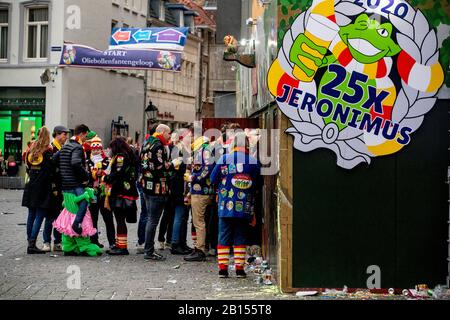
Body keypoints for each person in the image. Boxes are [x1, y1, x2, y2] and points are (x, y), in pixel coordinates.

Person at [210, 131, 261, 278]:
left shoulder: (224, 159)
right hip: (244, 206)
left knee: (224, 236)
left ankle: (223, 269)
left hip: (225, 205)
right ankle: (239, 269)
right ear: (246, 144)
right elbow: (257, 183)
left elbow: (213, 179)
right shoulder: (252, 161)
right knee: (240, 236)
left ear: (233, 144)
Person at [141, 124, 173, 261]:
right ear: (162, 132)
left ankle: (148, 248)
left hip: (147, 185)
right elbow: (159, 167)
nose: (169, 136)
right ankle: (149, 251)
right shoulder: (158, 145)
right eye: (168, 133)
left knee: (149, 219)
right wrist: (170, 165)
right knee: (153, 221)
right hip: (157, 187)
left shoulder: (147, 142)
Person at [104, 137, 138, 255]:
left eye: (111, 148)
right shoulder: (128, 155)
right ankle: (119, 245)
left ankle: (122, 247)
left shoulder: (120, 157)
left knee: (120, 219)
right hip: (126, 191)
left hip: (121, 192)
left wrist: (106, 177)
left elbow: (119, 172)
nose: (110, 150)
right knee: (120, 220)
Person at [21, 126, 53, 254]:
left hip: (31, 183)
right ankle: (32, 244)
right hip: (42, 185)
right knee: (40, 214)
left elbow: (27, 167)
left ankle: (30, 241)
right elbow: (49, 170)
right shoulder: (48, 150)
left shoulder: (31, 149)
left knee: (31, 214)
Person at [184, 136, 215, 262]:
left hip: (201, 191)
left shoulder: (204, 150)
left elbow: (208, 168)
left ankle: (200, 249)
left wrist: (193, 178)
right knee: (202, 221)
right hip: (202, 190)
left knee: (198, 221)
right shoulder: (203, 150)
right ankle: (201, 247)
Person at [59, 124, 91, 235]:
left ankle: (70, 240)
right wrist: (86, 175)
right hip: (75, 183)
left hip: (65, 183)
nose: (85, 139)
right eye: (85, 136)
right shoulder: (77, 147)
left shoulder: (65, 146)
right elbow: (76, 163)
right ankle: (77, 224)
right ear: (82, 134)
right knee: (84, 201)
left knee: (69, 211)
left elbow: (55, 159)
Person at [42, 125, 69, 252]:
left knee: (59, 215)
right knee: (50, 216)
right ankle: (46, 242)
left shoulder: (62, 148)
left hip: (61, 185)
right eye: (64, 134)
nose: (66, 137)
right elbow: (50, 169)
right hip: (52, 186)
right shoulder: (51, 148)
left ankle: (57, 242)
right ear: (57, 134)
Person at [86, 136, 116, 249]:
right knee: (93, 218)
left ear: (101, 149)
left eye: (97, 149)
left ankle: (112, 242)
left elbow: (110, 173)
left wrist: (102, 173)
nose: (95, 151)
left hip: (104, 193)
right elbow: (86, 175)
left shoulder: (107, 160)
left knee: (108, 217)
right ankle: (94, 241)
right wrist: (93, 175)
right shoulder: (88, 161)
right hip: (92, 192)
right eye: (93, 149)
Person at [169, 129, 194, 255]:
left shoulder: (187, 150)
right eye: (189, 136)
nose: (191, 137)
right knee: (179, 215)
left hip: (185, 187)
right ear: (182, 137)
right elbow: (176, 169)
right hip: (179, 188)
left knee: (184, 216)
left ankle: (182, 243)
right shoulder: (178, 150)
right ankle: (175, 243)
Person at [136, 123, 158, 253]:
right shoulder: (153, 145)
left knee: (145, 213)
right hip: (148, 182)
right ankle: (144, 242)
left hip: (142, 181)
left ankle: (142, 241)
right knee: (148, 214)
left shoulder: (146, 144)